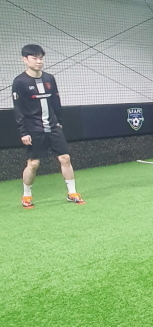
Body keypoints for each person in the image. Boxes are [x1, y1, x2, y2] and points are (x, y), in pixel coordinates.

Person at [13, 44, 84, 209]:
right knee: (33, 164)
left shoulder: (49, 79)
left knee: (65, 158)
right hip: (33, 129)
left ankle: (72, 193)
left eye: (41, 58)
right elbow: (18, 109)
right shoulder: (20, 82)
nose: (39, 61)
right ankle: (27, 195)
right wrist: (23, 132)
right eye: (34, 58)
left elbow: (55, 102)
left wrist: (59, 121)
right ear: (25, 60)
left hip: (53, 127)